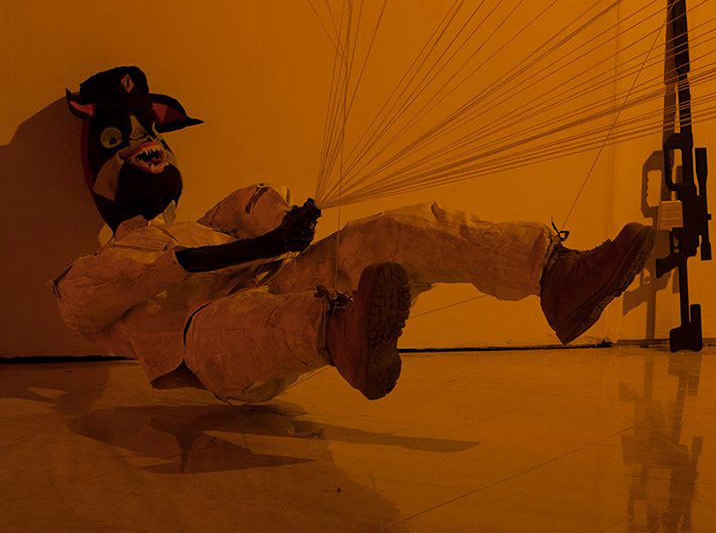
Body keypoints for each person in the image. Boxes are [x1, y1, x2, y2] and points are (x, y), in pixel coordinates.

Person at [53, 66, 654, 404]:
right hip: (220, 353)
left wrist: (288, 230)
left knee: (380, 235)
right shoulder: (83, 278)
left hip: (287, 288)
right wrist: (257, 248)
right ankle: (342, 334)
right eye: (124, 143)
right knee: (219, 326)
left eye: (151, 137)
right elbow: (165, 272)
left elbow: (253, 208)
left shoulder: (208, 218)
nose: (148, 151)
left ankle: (555, 274)